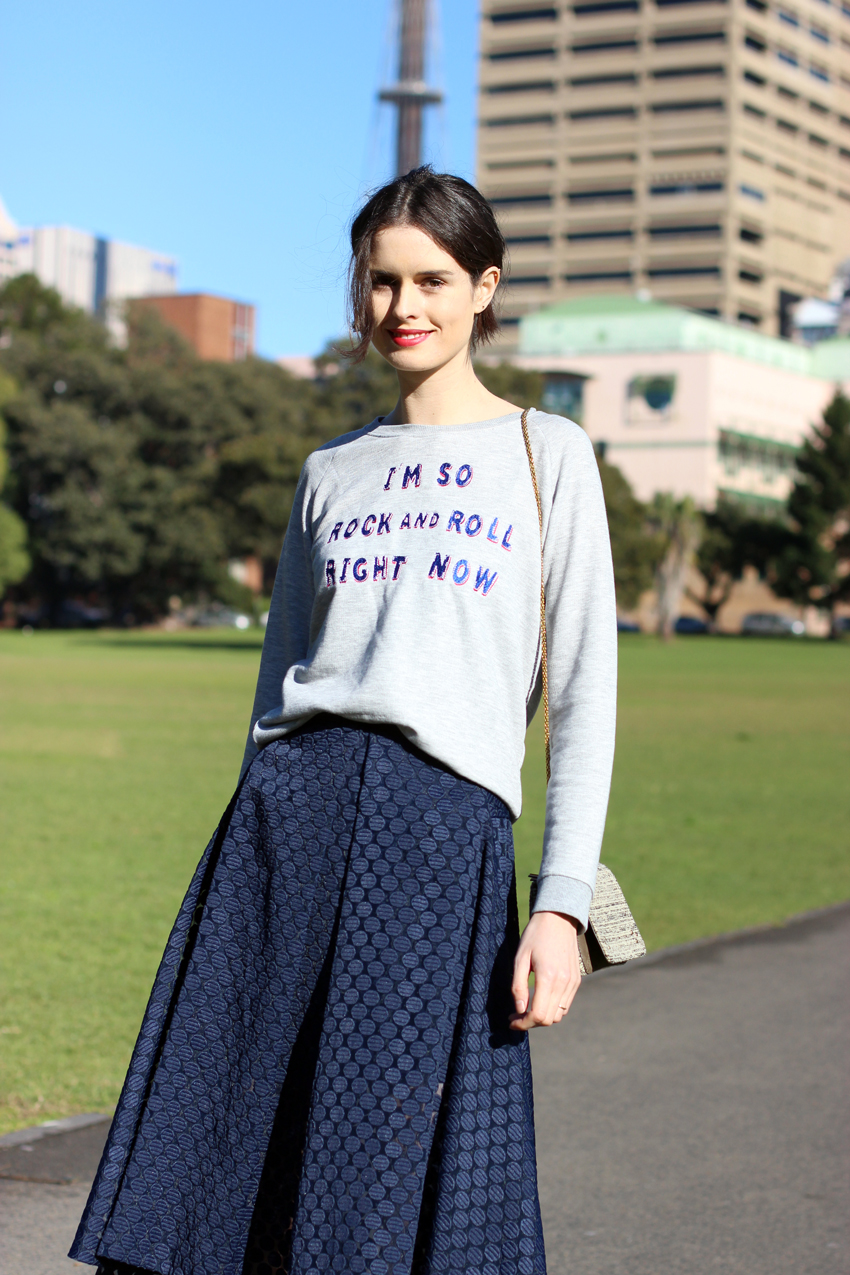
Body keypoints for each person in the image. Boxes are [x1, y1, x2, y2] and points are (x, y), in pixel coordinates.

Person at [71, 166, 617, 1275]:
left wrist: (559, 906)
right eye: (380, 282)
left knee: (383, 1159)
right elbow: (277, 686)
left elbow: (586, 699)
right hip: (287, 821)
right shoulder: (331, 471)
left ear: (483, 290)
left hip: (437, 836)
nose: (402, 306)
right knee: (229, 1145)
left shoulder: (546, 453)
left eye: (432, 280)